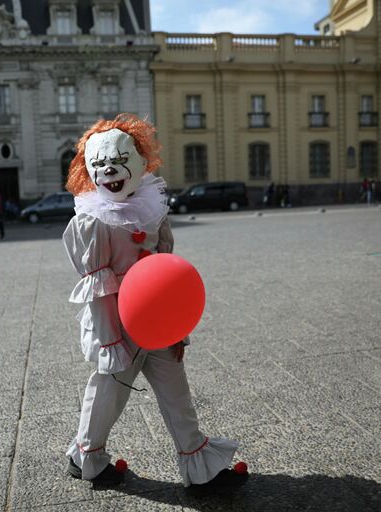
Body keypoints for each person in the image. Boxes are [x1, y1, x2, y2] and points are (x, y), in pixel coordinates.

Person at [62, 114, 247, 492]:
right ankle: (85, 457)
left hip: (158, 324)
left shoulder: (153, 208)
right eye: (98, 164)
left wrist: (178, 331)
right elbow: (96, 287)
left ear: (142, 161)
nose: (109, 170)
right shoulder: (93, 222)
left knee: (176, 392)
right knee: (107, 397)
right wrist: (109, 341)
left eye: (119, 160)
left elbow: (166, 270)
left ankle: (202, 470)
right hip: (117, 327)